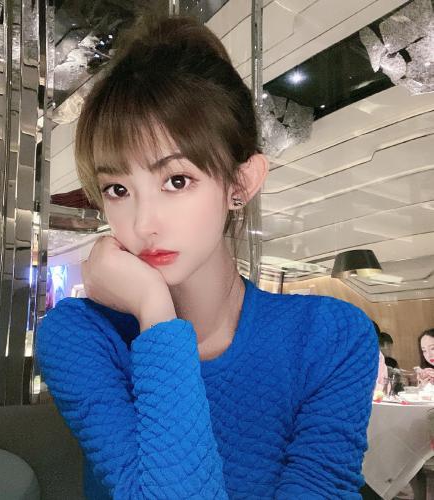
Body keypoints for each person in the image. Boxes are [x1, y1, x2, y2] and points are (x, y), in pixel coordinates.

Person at [36, 13, 378, 499]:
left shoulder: (330, 338)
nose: (143, 223)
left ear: (241, 183)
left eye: (177, 180)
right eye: (118, 189)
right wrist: (155, 312)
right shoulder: (81, 335)